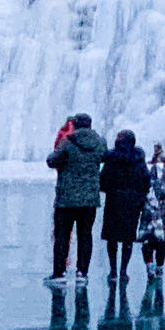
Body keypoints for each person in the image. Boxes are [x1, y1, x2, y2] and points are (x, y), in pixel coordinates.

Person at [46, 112, 106, 286]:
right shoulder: (100, 143)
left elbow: (51, 161)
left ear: (76, 125)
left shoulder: (68, 143)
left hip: (67, 199)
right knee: (85, 235)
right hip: (89, 200)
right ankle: (82, 273)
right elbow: (105, 157)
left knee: (62, 236)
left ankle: (59, 273)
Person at [99, 129, 151, 284]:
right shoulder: (138, 158)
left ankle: (113, 270)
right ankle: (124, 270)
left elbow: (104, 179)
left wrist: (109, 189)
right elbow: (145, 179)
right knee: (128, 238)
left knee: (112, 237)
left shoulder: (112, 157)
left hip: (114, 199)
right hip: (132, 202)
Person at [140, 146, 165, 280]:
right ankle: (159, 267)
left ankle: (150, 265)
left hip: (148, 213)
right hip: (163, 214)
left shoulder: (147, 175)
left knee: (147, 240)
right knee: (161, 242)